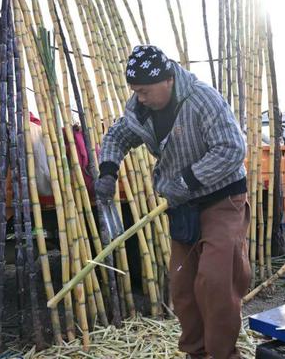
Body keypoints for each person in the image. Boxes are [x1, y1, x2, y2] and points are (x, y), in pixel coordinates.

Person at [95, 45, 250, 359]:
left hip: (222, 199)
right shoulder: (141, 110)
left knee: (215, 281)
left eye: (145, 90)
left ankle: (223, 355)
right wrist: (108, 170)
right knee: (183, 287)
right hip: (183, 207)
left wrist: (188, 181)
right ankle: (196, 352)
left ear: (167, 80)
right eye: (135, 91)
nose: (140, 97)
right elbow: (116, 136)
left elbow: (232, 148)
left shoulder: (202, 99)